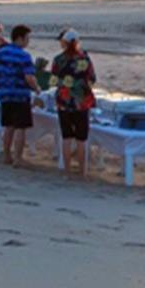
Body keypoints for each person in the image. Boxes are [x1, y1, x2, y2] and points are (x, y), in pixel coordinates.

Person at [50, 29, 96, 179]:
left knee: (66, 137)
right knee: (82, 139)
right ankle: (83, 172)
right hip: (81, 102)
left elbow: (53, 79)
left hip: (64, 101)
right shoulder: (84, 59)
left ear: (64, 42)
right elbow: (92, 78)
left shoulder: (58, 59)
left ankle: (67, 172)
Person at [0, 25, 38, 167]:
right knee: (20, 127)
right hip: (20, 94)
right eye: (27, 38)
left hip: (5, 93)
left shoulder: (0, 53)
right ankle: (18, 158)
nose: (28, 42)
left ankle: (6, 155)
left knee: (9, 126)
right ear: (20, 38)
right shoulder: (24, 56)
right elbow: (29, 77)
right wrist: (37, 88)